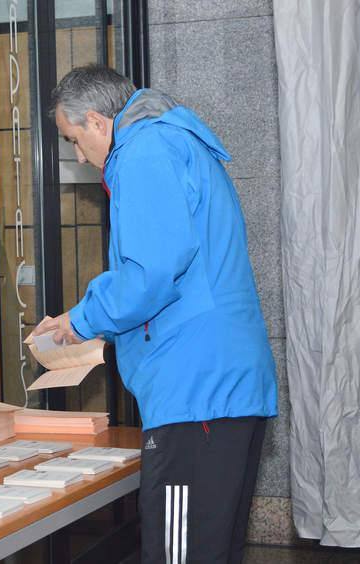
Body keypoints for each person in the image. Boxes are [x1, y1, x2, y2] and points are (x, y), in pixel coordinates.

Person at [33, 64, 278, 563]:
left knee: (178, 554)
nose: (80, 156)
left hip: (196, 394)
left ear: (99, 122)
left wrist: (80, 321)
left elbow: (151, 273)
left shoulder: (144, 151)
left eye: (75, 140)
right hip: (217, 385)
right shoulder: (173, 141)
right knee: (211, 550)